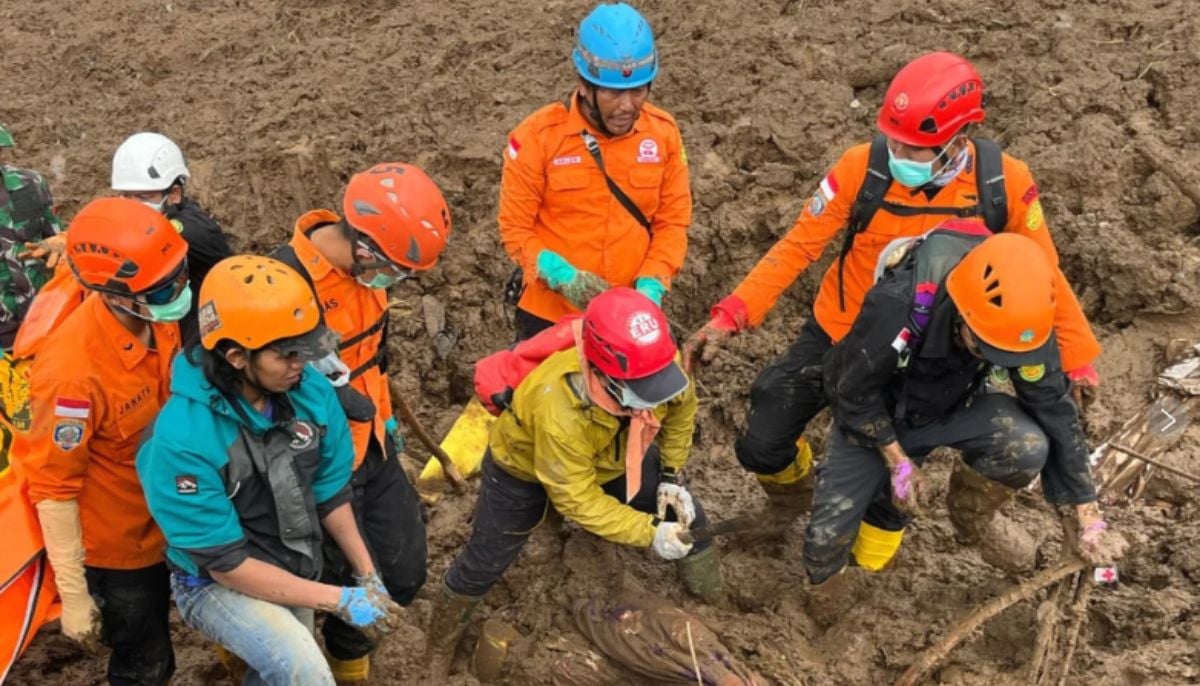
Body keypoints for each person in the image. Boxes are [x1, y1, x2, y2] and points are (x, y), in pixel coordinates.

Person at [683, 51, 1102, 538]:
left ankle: (926, 525)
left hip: (930, 353)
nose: (897, 154)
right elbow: (797, 247)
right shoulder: (862, 169)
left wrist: (1077, 359)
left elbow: (1043, 273)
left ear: (958, 141)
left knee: (895, 484)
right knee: (764, 435)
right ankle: (792, 498)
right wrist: (731, 315)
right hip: (841, 330)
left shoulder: (1002, 183)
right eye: (893, 140)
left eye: (914, 149)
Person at [806, 226, 1126, 598]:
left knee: (1027, 444)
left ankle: (967, 514)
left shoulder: (1024, 324)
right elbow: (850, 389)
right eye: (985, 348)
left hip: (952, 405)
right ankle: (827, 600)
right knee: (826, 537)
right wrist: (898, 461)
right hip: (876, 413)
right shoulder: (899, 304)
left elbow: (1056, 413)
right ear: (963, 314)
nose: (995, 358)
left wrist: (1088, 514)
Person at [137, 255, 405, 686]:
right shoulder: (182, 440)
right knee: (305, 671)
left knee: (284, 671)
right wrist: (339, 600)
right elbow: (225, 562)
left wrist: (366, 574)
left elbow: (330, 492)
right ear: (237, 356)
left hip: (291, 557)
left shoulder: (309, 392)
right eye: (288, 354)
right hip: (213, 580)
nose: (302, 364)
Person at [426, 287, 719, 681]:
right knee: (487, 558)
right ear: (605, 374)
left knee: (689, 516)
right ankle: (439, 645)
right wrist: (650, 532)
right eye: (645, 389)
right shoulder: (559, 409)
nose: (656, 397)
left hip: (614, 454)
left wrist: (669, 475)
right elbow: (579, 500)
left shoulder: (657, 365)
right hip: (523, 468)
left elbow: (682, 408)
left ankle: (713, 605)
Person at [270, 162, 450, 682]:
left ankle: (348, 657)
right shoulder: (284, 286)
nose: (398, 282)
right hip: (312, 464)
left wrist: (389, 430)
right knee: (314, 579)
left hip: (372, 445)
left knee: (403, 573)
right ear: (366, 246)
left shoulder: (368, 276)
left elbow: (374, 359)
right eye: (398, 270)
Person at [22, 197, 192, 685]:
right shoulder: (72, 375)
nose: (181, 291)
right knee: (146, 662)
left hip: (169, 510)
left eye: (180, 275)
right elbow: (53, 488)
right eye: (168, 286)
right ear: (116, 295)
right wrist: (75, 595)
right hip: (120, 548)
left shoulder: (154, 312)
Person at [498, 1, 692, 341]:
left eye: (638, 91)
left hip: (629, 317)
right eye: (613, 93)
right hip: (550, 316)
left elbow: (672, 223)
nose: (627, 106)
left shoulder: (663, 135)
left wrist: (651, 285)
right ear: (584, 85)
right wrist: (560, 275)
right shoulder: (537, 138)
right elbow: (515, 229)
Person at [111, 131, 232, 343]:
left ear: (174, 194)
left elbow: (143, 242)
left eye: (143, 196)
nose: (132, 205)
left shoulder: (193, 230)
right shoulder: (160, 217)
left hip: (204, 334)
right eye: (126, 195)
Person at [0, 121, 64, 459]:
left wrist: (60, 243)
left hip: (41, 327)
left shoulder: (30, 186)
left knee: (48, 425)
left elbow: (58, 238)